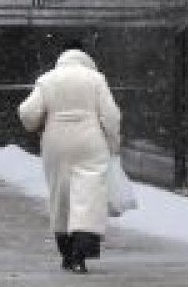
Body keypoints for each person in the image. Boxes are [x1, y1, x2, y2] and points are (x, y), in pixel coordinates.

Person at [18, 48, 122, 274]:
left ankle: (65, 248)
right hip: (90, 141)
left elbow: (27, 113)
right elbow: (111, 115)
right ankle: (81, 251)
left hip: (56, 143)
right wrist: (113, 143)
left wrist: (37, 126)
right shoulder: (96, 79)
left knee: (61, 194)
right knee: (89, 195)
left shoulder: (46, 80)